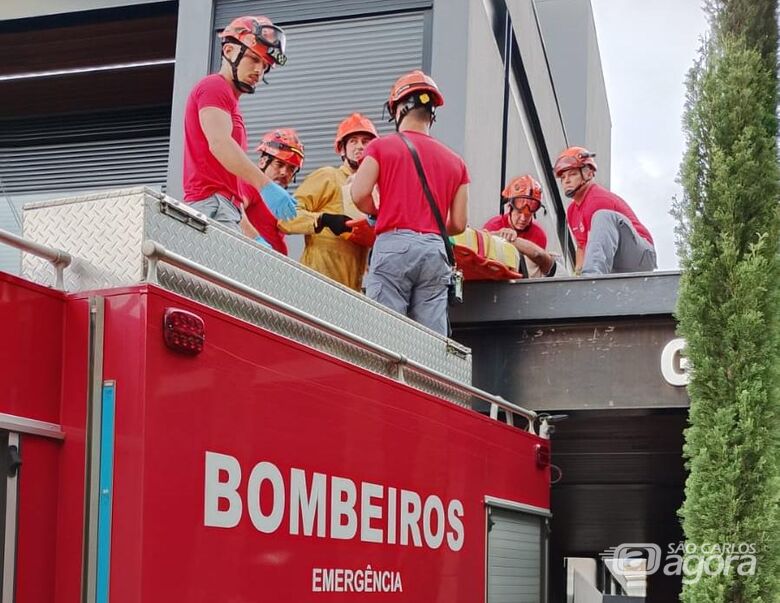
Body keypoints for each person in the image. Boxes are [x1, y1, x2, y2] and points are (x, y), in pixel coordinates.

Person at [350, 70, 469, 336]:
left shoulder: (381, 147)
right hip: (435, 251)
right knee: (430, 338)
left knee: (385, 334)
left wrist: (379, 212)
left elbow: (359, 194)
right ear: (431, 114)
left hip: (394, 246)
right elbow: (459, 223)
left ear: (398, 109)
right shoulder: (456, 162)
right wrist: (428, 226)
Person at [182, 15, 297, 235]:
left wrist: (256, 240)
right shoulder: (214, 87)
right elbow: (220, 144)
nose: (259, 70)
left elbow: (228, 190)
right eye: (253, 59)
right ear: (229, 51)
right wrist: (265, 185)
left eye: (265, 65)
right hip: (211, 206)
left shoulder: (230, 102)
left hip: (224, 208)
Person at [278, 113, 378, 291]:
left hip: (352, 290)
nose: (360, 146)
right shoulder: (328, 176)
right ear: (342, 149)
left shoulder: (373, 191)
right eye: (353, 141)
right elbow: (286, 218)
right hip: (316, 284)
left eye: (365, 142)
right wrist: (323, 220)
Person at [554, 146, 656, 275]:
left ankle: (592, 279)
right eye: (563, 177)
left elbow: (597, 246)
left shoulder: (597, 200)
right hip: (616, 261)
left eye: (572, 174)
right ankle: (587, 279)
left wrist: (589, 280)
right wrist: (577, 277)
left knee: (602, 217)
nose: (566, 181)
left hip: (641, 255)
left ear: (588, 174)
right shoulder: (572, 211)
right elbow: (582, 247)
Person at [244, 128, 305, 254]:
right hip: (252, 257)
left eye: (291, 169)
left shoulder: (281, 202)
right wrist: (255, 240)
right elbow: (234, 212)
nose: (284, 172)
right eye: (279, 164)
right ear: (262, 162)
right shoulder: (250, 185)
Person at [483, 175, 556, 277]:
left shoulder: (538, 235)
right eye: (519, 212)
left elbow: (537, 266)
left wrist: (512, 241)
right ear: (510, 208)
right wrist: (497, 236)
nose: (523, 219)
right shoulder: (493, 226)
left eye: (528, 215)